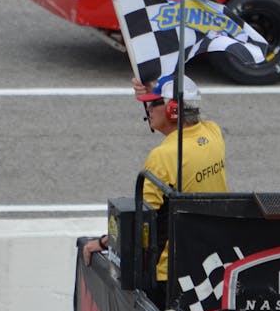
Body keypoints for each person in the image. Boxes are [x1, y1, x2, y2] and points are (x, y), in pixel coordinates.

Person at [83, 75, 228, 287]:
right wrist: (155, 89)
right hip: (211, 257)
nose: (147, 108)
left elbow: (141, 221)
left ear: (173, 109)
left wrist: (103, 242)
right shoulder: (213, 132)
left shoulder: (164, 155)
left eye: (153, 103)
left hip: (170, 273)